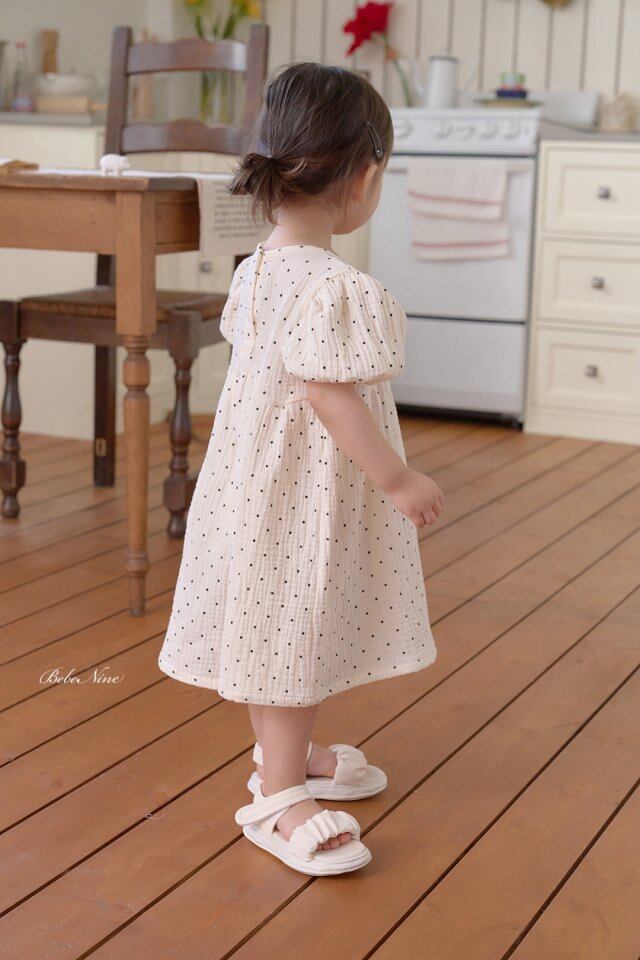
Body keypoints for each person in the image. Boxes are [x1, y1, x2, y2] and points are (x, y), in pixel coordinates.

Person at [158, 62, 442, 876]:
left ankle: (293, 756)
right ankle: (278, 796)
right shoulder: (336, 287)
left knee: (276, 621)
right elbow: (326, 394)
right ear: (366, 177)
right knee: (292, 629)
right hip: (303, 494)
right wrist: (398, 479)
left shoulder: (256, 269)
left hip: (254, 484)